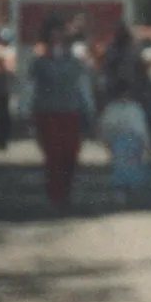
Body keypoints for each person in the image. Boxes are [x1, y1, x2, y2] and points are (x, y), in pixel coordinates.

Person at [27, 16, 94, 210]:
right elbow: (31, 89)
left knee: (70, 154)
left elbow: (83, 88)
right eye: (53, 35)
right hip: (48, 113)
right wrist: (26, 112)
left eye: (60, 35)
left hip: (70, 112)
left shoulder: (75, 62)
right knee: (53, 154)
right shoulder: (39, 63)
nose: (57, 39)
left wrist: (89, 109)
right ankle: (55, 194)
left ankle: (67, 191)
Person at [98, 79, 151, 206]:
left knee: (134, 166)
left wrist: (145, 142)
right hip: (119, 140)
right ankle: (122, 192)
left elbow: (141, 128)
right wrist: (107, 141)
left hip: (133, 140)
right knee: (121, 167)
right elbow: (106, 126)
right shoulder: (113, 108)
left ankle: (133, 191)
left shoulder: (134, 108)